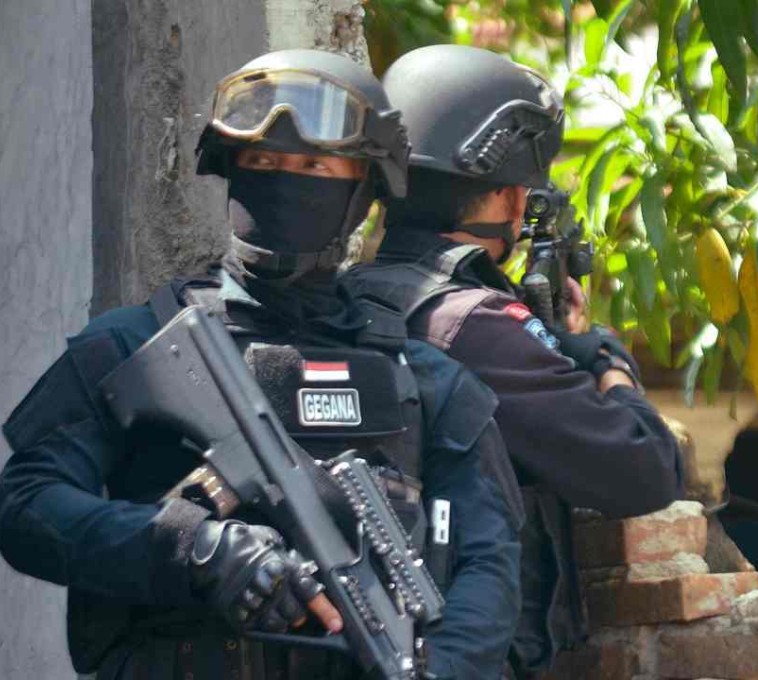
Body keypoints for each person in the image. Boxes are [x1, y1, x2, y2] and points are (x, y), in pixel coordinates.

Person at [0, 49, 521, 680]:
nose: (285, 181)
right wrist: (196, 549)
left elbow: (489, 565)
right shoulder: (131, 344)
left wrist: (445, 670)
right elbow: (27, 506)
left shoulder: (429, 381)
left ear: (365, 189)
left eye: (312, 165)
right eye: (264, 162)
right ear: (232, 170)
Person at [343, 45, 686, 678]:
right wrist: (604, 358)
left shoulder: (349, 297)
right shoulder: (476, 328)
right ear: (505, 199)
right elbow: (647, 468)